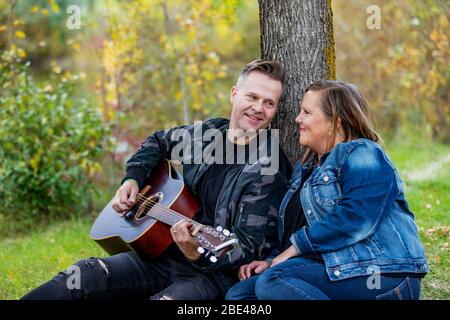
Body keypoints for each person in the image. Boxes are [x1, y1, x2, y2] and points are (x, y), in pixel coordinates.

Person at [22, 59, 292, 300]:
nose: (259, 108)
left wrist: (196, 252)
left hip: (209, 276)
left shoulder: (268, 166)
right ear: (234, 93)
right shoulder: (208, 133)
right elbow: (157, 142)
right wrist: (131, 181)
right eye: (252, 97)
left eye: (269, 103)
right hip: (160, 255)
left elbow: (247, 246)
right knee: (84, 274)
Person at [225, 80, 429, 300]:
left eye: (306, 112)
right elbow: (296, 232)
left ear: (335, 122)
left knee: (274, 281)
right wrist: (271, 260)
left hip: (381, 273)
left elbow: (357, 217)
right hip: (331, 270)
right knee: (240, 295)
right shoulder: (305, 171)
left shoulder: (363, 153)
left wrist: (294, 249)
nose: (298, 119)